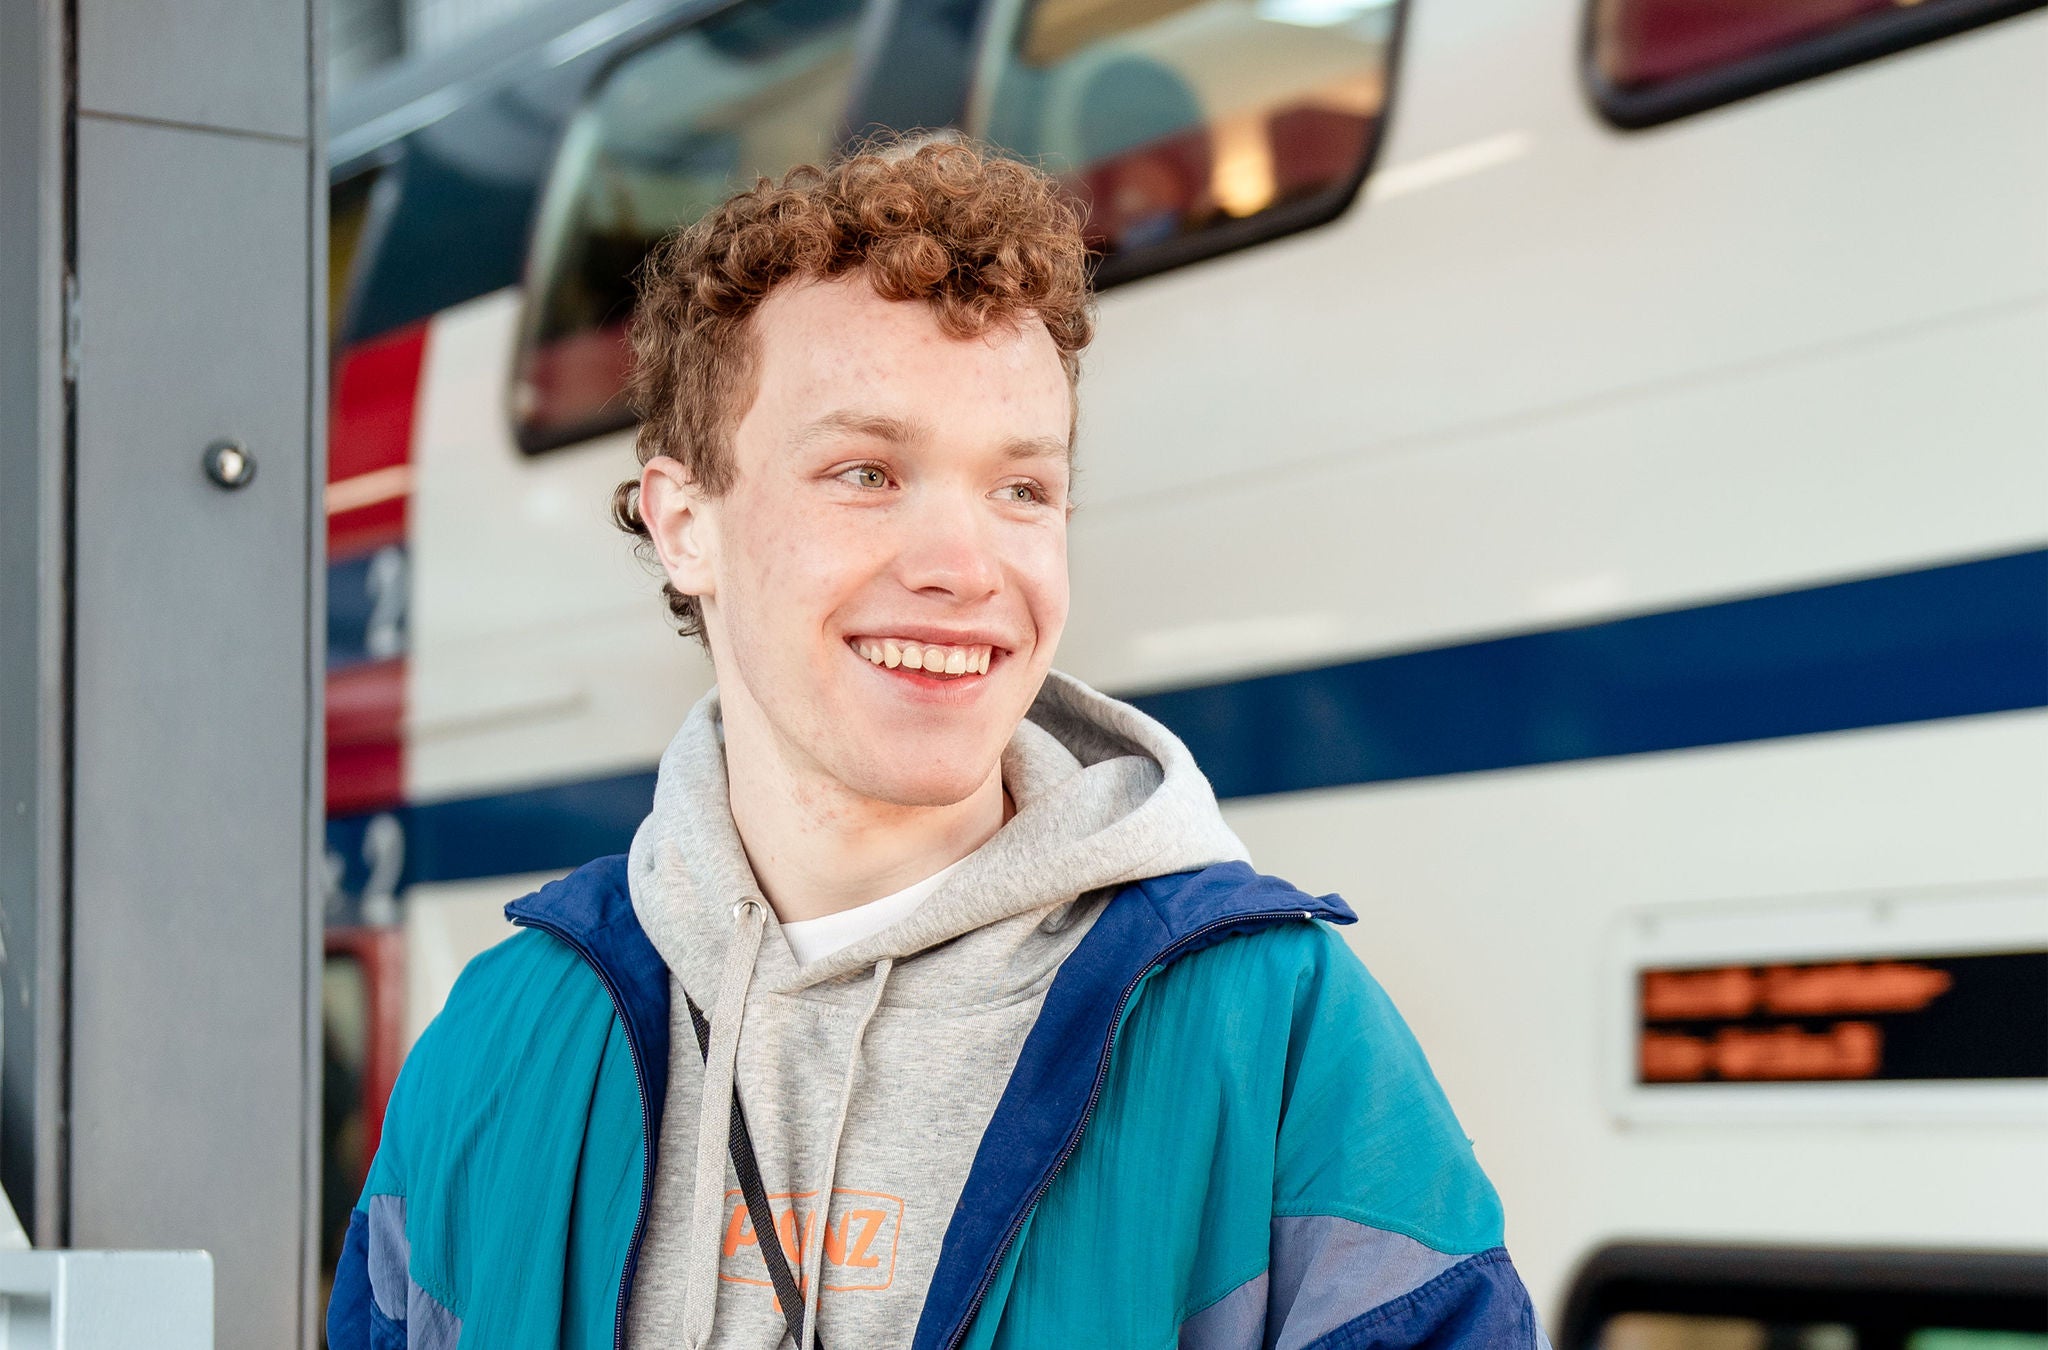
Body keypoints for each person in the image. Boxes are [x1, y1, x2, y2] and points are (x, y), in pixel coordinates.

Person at [326, 135, 1547, 1350]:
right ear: (685, 522)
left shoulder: (1270, 1027)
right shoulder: (502, 1035)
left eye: (1021, 489)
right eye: (865, 472)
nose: (965, 568)